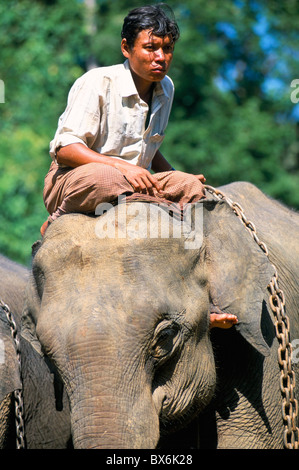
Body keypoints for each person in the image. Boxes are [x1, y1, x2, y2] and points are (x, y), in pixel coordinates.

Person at [41, 4, 237, 330]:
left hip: (135, 182)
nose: (160, 56)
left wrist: (177, 175)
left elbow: (149, 151)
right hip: (77, 178)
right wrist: (122, 168)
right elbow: (65, 149)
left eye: (168, 49)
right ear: (126, 48)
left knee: (192, 188)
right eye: (150, 47)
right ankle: (56, 221)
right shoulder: (97, 82)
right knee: (107, 178)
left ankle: (203, 297)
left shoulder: (167, 89)